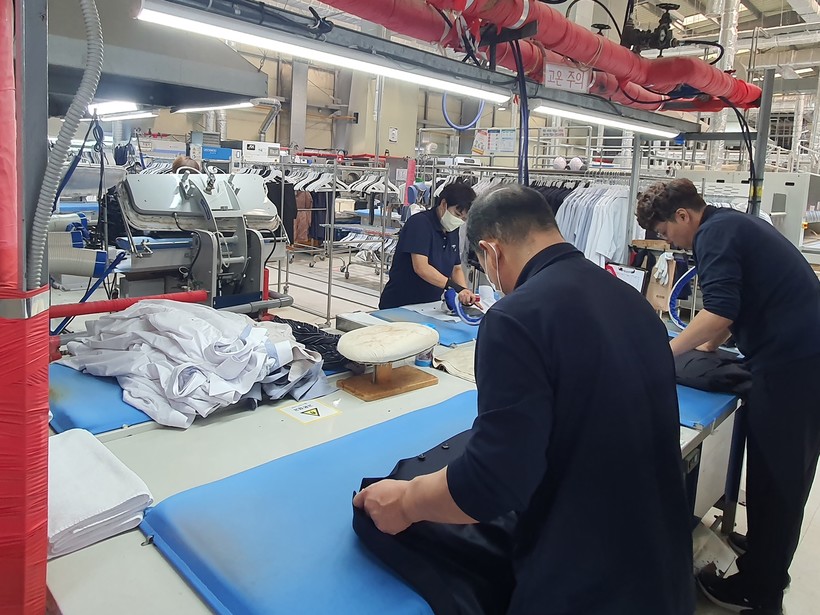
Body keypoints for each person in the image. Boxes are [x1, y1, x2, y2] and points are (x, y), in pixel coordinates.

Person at [355, 185, 695, 614]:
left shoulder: (516, 318)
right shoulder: (631, 301)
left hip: (584, 580)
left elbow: (492, 483)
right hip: (660, 564)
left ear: (489, 251)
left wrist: (404, 502)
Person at [636, 178, 820, 615]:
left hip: (794, 365)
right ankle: (765, 555)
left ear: (683, 216)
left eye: (664, 231)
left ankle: (761, 590)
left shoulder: (714, 235)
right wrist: (709, 344)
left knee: (777, 479)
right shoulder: (733, 224)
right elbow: (738, 300)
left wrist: (661, 355)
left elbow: (719, 308)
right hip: (799, 355)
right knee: (778, 473)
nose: (669, 241)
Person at [379, 182, 478, 309]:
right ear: (443, 204)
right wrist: (456, 287)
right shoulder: (420, 223)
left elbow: (456, 268)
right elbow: (422, 268)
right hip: (401, 304)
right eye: (457, 215)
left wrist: (465, 293)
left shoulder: (452, 230)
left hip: (430, 305)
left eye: (464, 219)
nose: (459, 221)